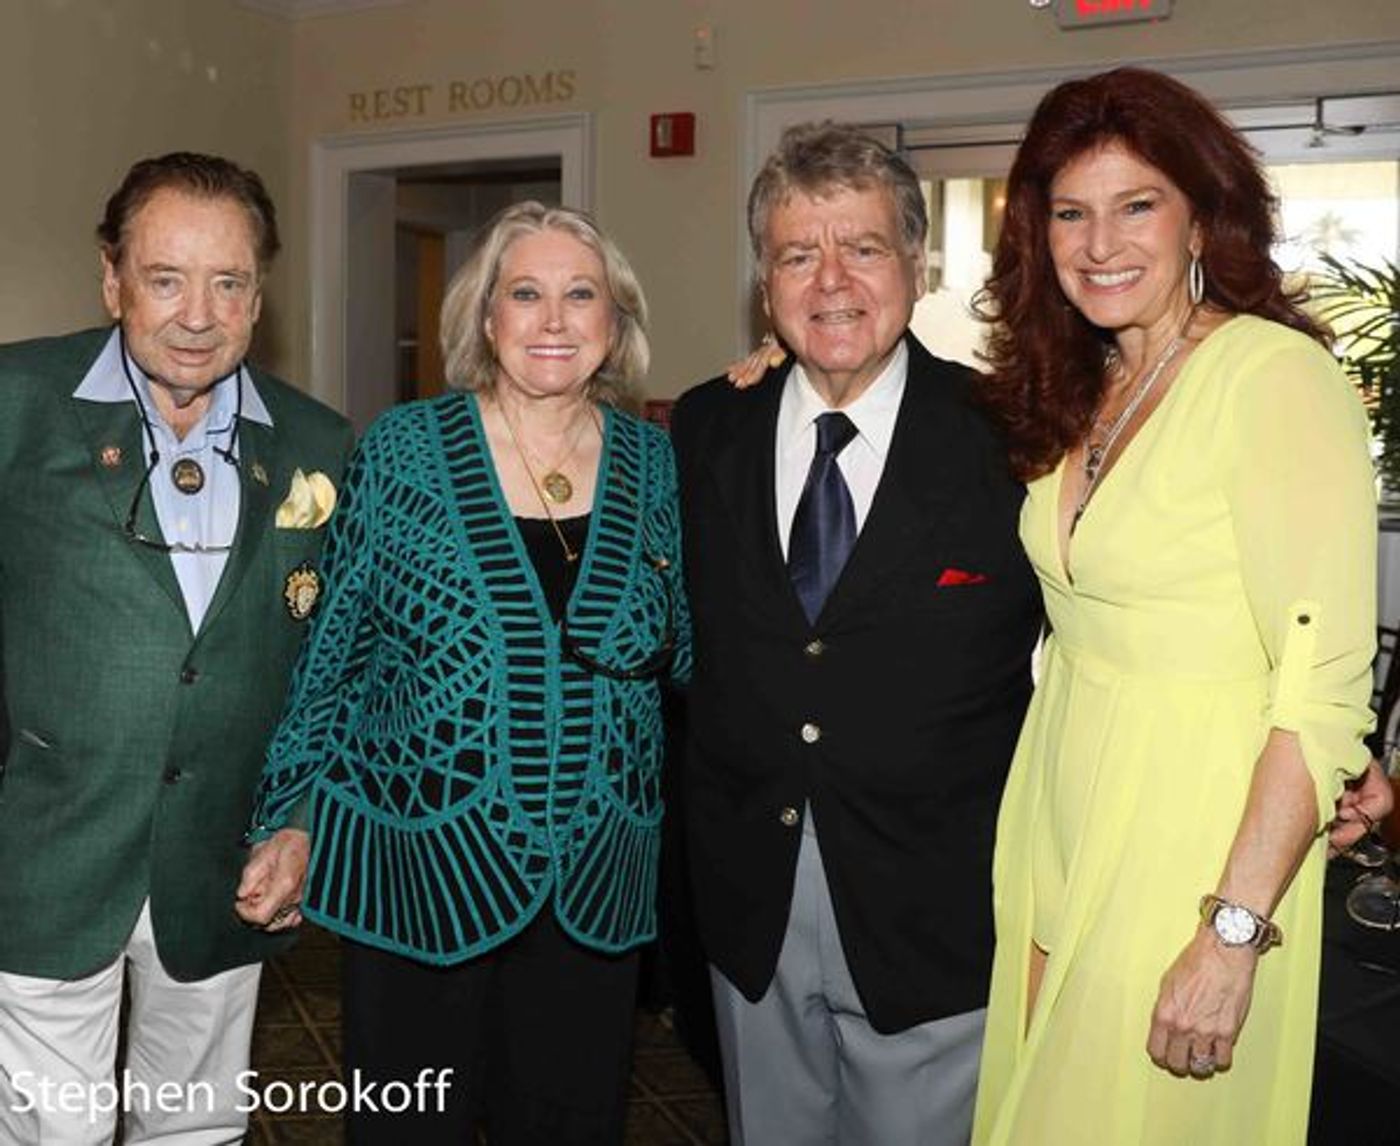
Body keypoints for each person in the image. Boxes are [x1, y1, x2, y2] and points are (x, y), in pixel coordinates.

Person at [968, 67, 1377, 1145]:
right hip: (1057, 811)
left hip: (1190, 844)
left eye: (1134, 204)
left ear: (1201, 215)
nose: (1098, 242)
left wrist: (1232, 931)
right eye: (1069, 212)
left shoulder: (1270, 378)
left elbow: (1322, 683)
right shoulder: (1082, 382)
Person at [236, 200, 690, 1144]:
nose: (554, 320)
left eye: (581, 295)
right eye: (525, 294)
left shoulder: (662, 464)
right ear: (487, 319)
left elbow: (690, 648)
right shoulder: (406, 449)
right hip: (420, 864)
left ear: (616, 323)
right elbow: (337, 650)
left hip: (595, 876)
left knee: (569, 1124)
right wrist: (289, 811)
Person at [670, 122, 1043, 1145]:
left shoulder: (1016, 438)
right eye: (798, 254)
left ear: (916, 265)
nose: (829, 280)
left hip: (934, 913)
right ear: (764, 281)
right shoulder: (705, 428)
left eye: (862, 248)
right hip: (749, 902)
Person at [0, 152, 353, 1144]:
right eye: (166, 278)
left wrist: (300, 821)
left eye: (228, 282)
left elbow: (336, 666)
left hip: (222, 869)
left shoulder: (318, 444)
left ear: (259, 293)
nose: (197, 314)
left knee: (196, 1128)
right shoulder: (15, 403)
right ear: (111, 277)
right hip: (42, 858)